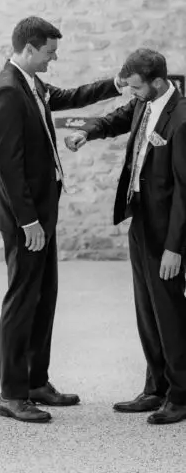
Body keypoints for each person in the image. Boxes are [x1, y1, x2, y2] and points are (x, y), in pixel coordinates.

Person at [0, 16, 121, 423]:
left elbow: (70, 95)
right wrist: (28, 221)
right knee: (22, 298)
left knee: (45, 297)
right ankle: (12, 393)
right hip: (25, 218)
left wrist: (114, 85)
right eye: (49, 52)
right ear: (28, 49)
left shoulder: (32, 83)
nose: (54, 58)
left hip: (44, 211)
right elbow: (8, 165)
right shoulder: (7, 91)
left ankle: (36, 381)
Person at [65, 48, 186, 425]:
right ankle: (156, 388)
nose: (131, 93)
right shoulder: (142, 104)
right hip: (140, 220)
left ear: (158, 82)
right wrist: (86, 131)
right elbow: (117, 118)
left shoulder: (181, 119)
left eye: (136, 87)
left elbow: (185, 190)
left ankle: (181, 396)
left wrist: (174, 248)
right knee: (147, 310)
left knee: (170, 313)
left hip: (166, 231)